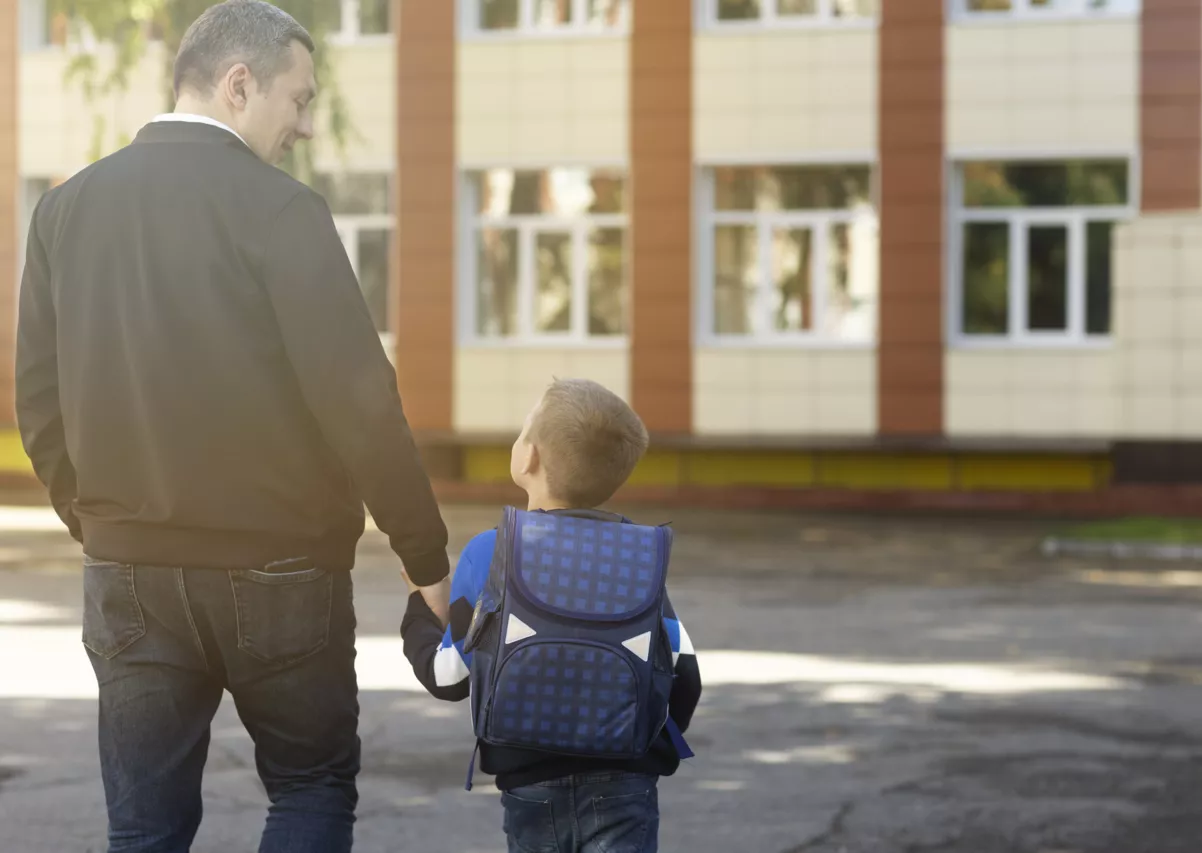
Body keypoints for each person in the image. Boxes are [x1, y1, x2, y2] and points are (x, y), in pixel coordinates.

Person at [15, 2, 451, 851]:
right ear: (238, 83)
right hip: (281, 571)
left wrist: (104, 524)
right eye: (298, 99)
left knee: (142, 827)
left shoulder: (64, 212)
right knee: (311, 789)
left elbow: (39, 402)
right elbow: (360, 402)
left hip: (129, 570)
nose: (307, 125)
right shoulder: (282, 211)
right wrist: (426, 559)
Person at [401, 379, 702, 853]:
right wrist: (642, 750)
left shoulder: (492, 551)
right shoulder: (638, 557)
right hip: (625, 783)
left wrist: (419, 610)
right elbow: (685, 675)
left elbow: (449, 676)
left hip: (531, 785)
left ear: (530, 458)